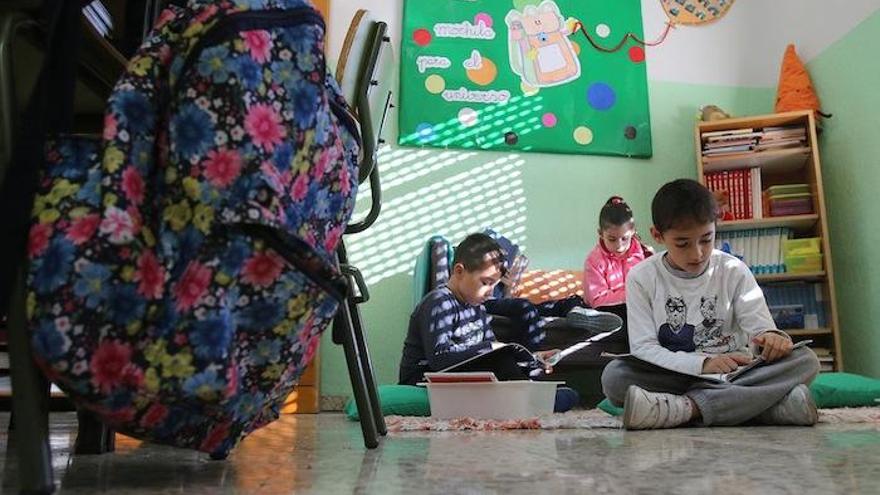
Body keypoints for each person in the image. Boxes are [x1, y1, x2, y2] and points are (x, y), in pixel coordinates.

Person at [601, 179, 820, 429]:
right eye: (682, 243)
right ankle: (765, 407)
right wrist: (702, 364)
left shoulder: (733, 270)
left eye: (706, 239)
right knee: (615, 377)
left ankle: (685, 409)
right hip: (677, 375)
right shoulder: (641, 277)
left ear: (717, 226)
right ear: (657, 236)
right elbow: (644, 348)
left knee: (805, 360)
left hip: (734, 373)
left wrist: (772, 338)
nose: (697, 254)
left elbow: (760, 329)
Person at [398, 233, 579, 412]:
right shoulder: (439, 302)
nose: (490, 292)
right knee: (501, 359)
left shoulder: (478, 308)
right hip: (422, 380)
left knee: (509, 360)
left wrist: (534, 358)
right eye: (486, 282)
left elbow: (490, 352)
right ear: (459, 271)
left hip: (457, 379)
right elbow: (440, 358)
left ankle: (529, 394)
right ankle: (530, 398)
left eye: (494, 285)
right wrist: (489, 348)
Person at [582, 196, 652, 329]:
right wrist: (632, 294)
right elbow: (597, 300)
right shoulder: (593, 261)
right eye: (612, 239)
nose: (619, 246)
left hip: (640, 309)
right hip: (609, 311)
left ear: (632, 231)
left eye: (625, 238)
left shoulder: (645, 253)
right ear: (601, 234)